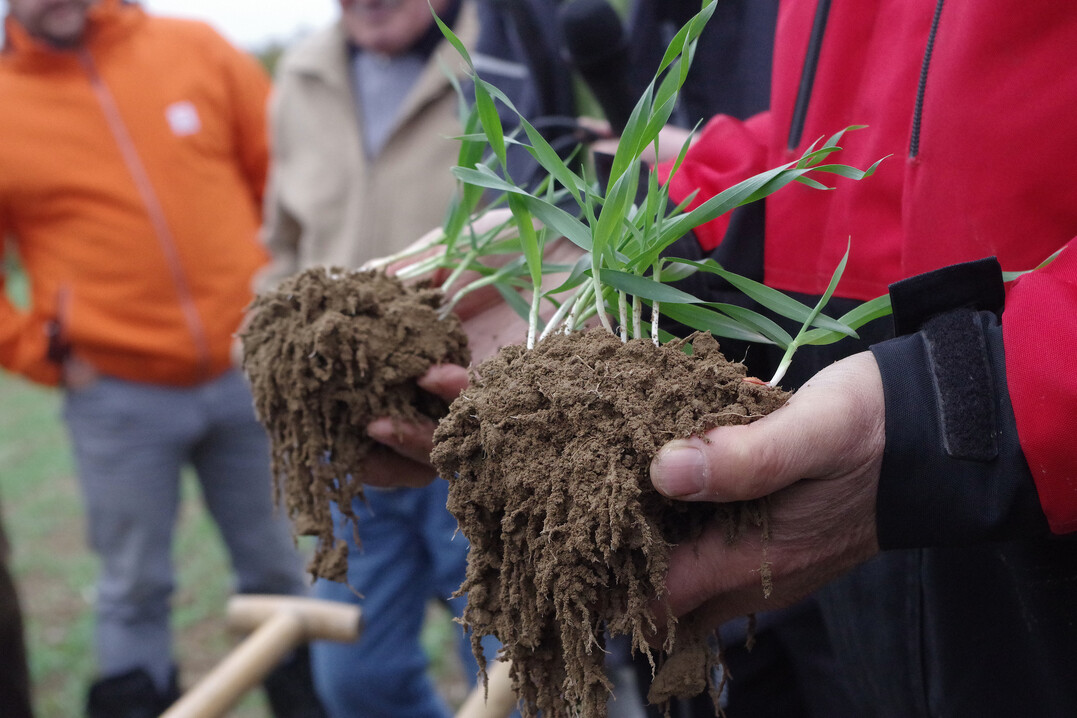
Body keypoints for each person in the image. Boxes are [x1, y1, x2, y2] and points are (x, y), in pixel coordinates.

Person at [637, 1, 1077, 715]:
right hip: (877, 534)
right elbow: (861, 139)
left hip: (1032, 508)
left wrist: (960, 406)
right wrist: (647, 241)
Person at [0, 1, 324, 716]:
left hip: (247, 373)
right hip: (116, 395)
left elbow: (285, 181)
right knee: (133, 585)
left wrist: (285, 310)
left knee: (276, 562)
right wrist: (43, 355)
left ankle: (307, 703)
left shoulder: (197, 48)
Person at [256, 1, 574, 716]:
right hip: (344, 439)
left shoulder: (506, 55)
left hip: (478, 416)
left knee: (517, 661)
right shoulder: (302, 77)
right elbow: (282, 236)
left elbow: (564, 223)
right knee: (356, 678)